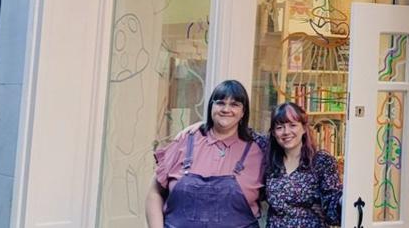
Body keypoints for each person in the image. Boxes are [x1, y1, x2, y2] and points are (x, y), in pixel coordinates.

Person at [146, 79, 267, 228]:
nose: (226, 109)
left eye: (234, 104)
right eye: (220, 103)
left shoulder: (258, 151)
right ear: (211, 106)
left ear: (243, 112)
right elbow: (154, 193)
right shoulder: (186, 140)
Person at [265, 102, 342, 228]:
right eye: (279, 127)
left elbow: (332, 202)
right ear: (273, 133)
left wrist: (343, 200)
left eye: (293, 125)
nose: (286, 132)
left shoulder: (321, 161)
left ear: (304, 128)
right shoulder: (270, 162)